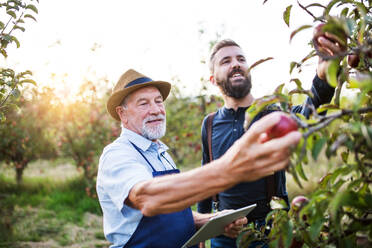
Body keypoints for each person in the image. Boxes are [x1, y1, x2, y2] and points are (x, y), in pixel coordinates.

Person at [96, 69, 302, 248]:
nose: (156, 110)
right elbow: (147, 199)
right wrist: (229, 169)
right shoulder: (118, 154)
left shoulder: (161, 153)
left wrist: (214, 220)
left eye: (159, 101)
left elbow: (172, 215)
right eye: (143, 104)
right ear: (122, 114)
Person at [197, 33, 346, 248]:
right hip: (224, 234)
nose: (236, 64)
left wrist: (322, 79)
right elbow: (205, 179)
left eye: (241, 59)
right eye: (226, 61)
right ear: (213, 79)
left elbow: (308, 115)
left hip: (270, 230)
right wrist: (202, 232)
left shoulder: (271, 113)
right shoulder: (209, 124)